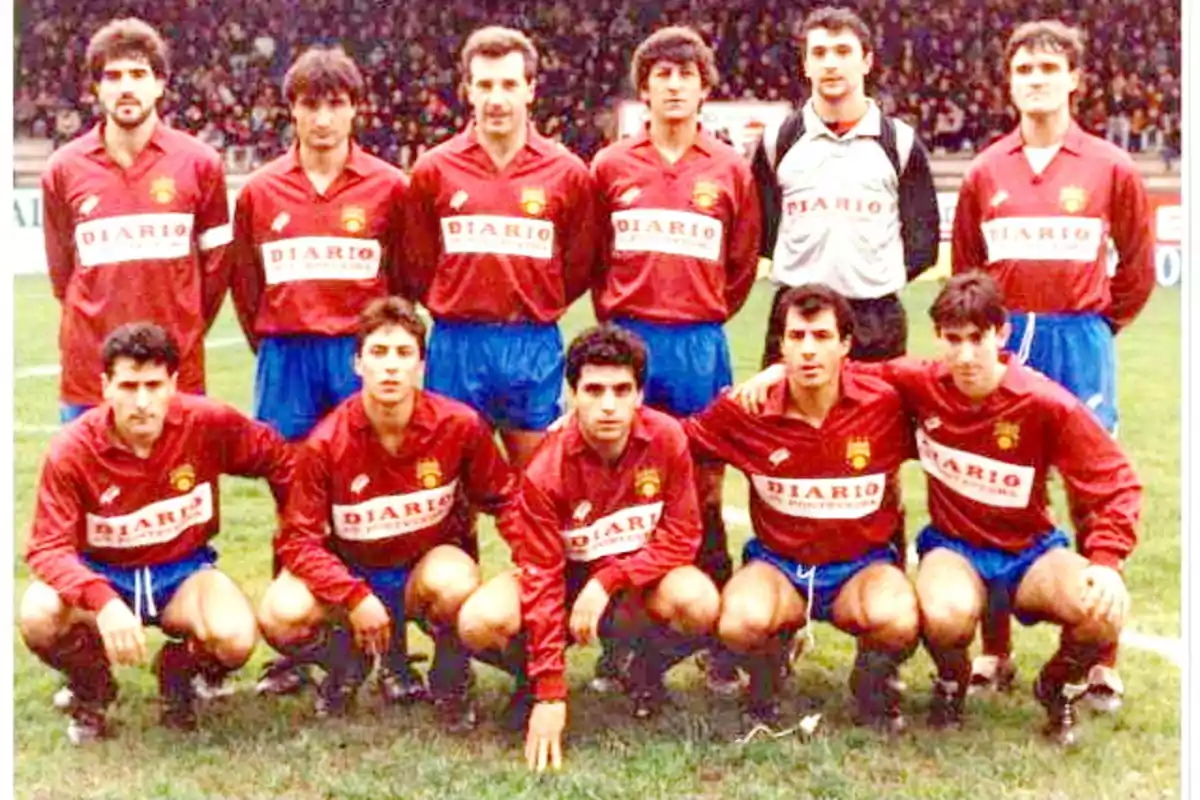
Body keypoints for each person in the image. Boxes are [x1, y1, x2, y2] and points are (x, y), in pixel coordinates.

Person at [733, 273, 1140, 746]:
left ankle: (1054, 686)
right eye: (953, 339)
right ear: (938, 338)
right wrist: (780, 371)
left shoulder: (1045, 402)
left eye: (977, 339)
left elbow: (1115, 479)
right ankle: (951, 682)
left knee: (1103, 612)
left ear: (1002, 334)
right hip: (956, 548)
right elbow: (837, 368)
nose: (965, 356)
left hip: (1031, 551)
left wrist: (1107, 561)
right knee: (943, 615)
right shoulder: (921, 381)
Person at [950, 20, 1155, 708]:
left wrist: (1097, 325)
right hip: (1007, 344)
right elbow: (965, 276)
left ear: (1074, 79)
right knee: (999, 489)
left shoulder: (1110, 167)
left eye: (1048, 67)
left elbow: (1138, 270)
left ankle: (1103, 657)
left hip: (1080, 339)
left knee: (1089, 490)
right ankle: (995, 650)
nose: (1036, 78)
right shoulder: (985, 170)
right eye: (1024, 69)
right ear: (1009, 83)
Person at [226, 46, 416, 701]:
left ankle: (392, 651)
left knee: (374, 501)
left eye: (336, 103)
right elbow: (246, 289)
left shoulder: (390, 186)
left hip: (355, 359)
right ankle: (299, 652)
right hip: (287, 359)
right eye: (311, 104)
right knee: (293, 504)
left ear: (354, 107)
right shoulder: (259, 191)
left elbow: (407, 280)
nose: (324, 118)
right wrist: (277, 343)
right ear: (293, 110)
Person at [455, 325, 720, 772]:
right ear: (572, 393)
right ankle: (530, 681)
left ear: (639, 395)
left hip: (629, 585)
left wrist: (608, 579)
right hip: (562, 585)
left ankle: (643, 669)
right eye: (594, 390)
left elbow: (682, 537)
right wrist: (551, 693)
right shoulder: (545, 469)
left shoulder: (668, 439)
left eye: (622, 390)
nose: (609, 405)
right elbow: (539, 577)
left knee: (698, 601)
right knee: (480, 622)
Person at [19, 323, 294, 744]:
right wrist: (102, 600)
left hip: (183, 572)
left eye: (154, 385)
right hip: (104, 572)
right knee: (38, 613)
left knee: (235, 637)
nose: (142, 401)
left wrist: (297, 528)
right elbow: (47, 547)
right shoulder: (73, 449)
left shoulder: (206, 422)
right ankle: (93, 689)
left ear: (173, 385)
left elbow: (282, 460)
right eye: (129, 385)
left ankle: (177, 671)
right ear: (105, 386)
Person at [589, 25, 762, 696]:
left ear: (703, 86)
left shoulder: (727, 168)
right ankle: (618, 638)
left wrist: (703, 306)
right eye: (661, 73)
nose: (673, 84)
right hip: (629, 338)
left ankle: (715, 636)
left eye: (686, 73)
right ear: (646, 85)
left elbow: (742, 263)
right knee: (618, 490)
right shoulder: (610, 166)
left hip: (697, 343)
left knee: (705, 488)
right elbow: (591, 254)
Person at [258, 297, 517, 730]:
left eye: (403, 354)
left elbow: (505, 500)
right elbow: (297, 541)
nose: (391, 367)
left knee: (454, 581)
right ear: (358, 364)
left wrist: (537, 559)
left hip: (423, 574)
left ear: (421, 365)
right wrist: (353, 596)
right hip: (353, 576)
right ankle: (346, 662)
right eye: (378, 353)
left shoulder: (460, 426)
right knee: (281, 614)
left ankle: (450, 675)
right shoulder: (325, 442)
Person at [684, 284, 918, 730]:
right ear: (780, 346)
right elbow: (679, 438)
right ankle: (768, 677)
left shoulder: (884, 402)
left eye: (822, 336)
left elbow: (942, 379)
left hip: (861, 566)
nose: (808, 350)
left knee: (898, 619)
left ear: (846, 345)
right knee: (738, 623)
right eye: (796, 337)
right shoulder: (748, 408)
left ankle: (870, 682)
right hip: (779, 566)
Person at [403, 25, 600, 472]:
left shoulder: (567, 172)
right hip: (456, 343)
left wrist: (534, 298)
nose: (496, 99)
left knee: (537, 489)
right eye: (485, 85)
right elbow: (415, 263)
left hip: (531, 342)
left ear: (530, 89)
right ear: (467, 91)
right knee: (449, 493)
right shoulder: (434, 169)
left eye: (509, 84)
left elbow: (579, 264)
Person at [41, 18, 232, 423]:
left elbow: (216, 275)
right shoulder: (63, 168)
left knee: (181, 487)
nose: (126, 87)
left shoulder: (201, 163)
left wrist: (183, 326)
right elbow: (63, 277)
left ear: (160, 83)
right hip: (91, 376)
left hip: (175, 372)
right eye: (112, 76)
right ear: (96, 87)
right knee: (88, 487)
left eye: (138, 74)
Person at [751, 6, 939, 368]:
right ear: (805, 65)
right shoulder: (778, 141)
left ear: (866, 61)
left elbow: (923, 241)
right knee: (789, 424)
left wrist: (872, 281)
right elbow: (764, 232)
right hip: (796, 316)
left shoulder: (899, 142)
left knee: (876, 425)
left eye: (843, 51)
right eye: (819, 53)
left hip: (875, 320)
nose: (831, 64)